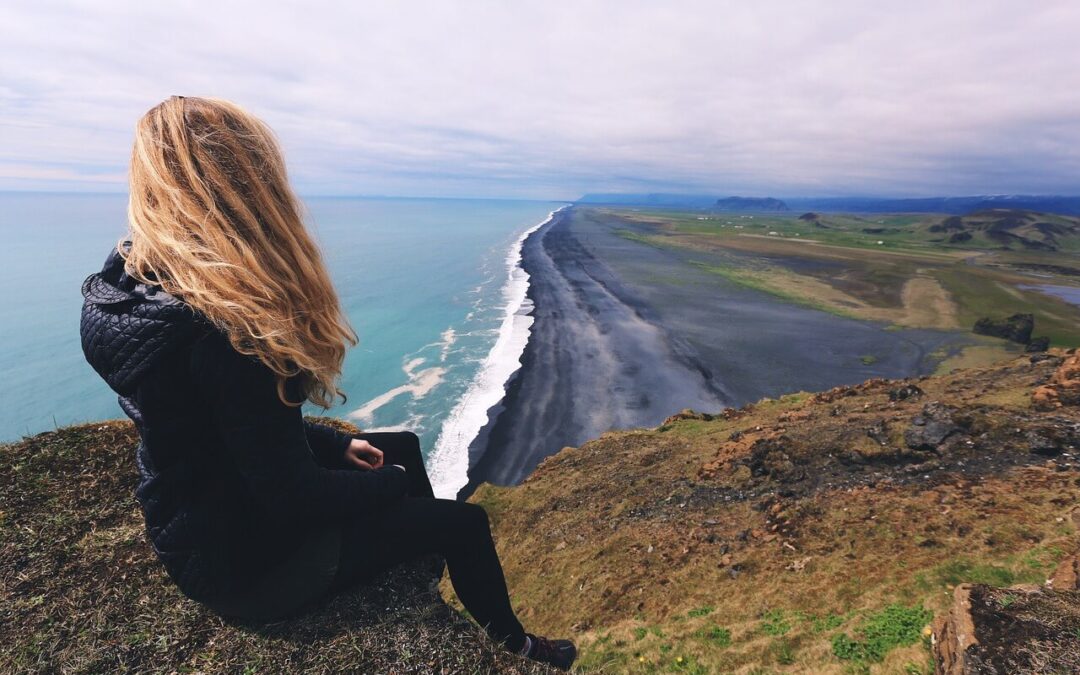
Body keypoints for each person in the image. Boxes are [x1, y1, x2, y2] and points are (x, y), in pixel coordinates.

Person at [79, 96, 576, 671]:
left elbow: (221, 427)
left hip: (195, 531)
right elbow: (292, 499)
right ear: (252, 188)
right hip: (254, 569)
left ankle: (416, 563)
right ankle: (517, 647)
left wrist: (337, 444)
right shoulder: (226, 326)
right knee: (465, 522)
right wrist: (390, 486)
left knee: (405, 446)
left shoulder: (136, 294)